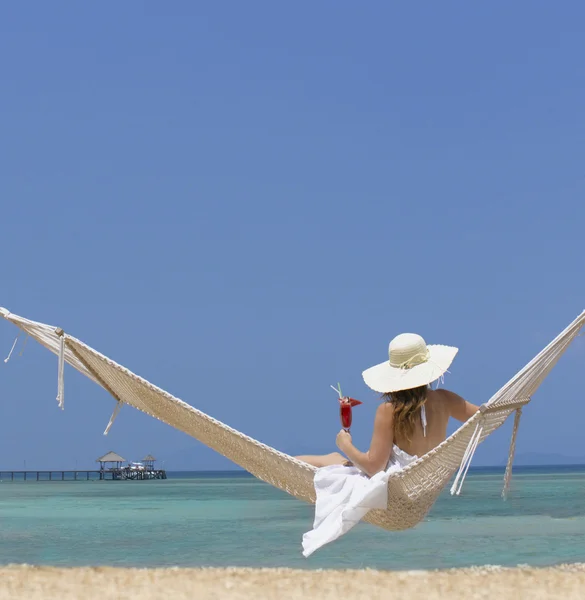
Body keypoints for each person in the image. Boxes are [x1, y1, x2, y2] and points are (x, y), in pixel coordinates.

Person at [299, 332, 479, 557]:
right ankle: (292, 460)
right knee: (335, 460)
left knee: (335, 461)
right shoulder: (444, 399)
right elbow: (483, 418)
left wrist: (345, 443)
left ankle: (280, 462)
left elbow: (374, 467)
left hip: (396, 492)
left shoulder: (390, 411)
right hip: (423, 488)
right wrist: (512, 400)